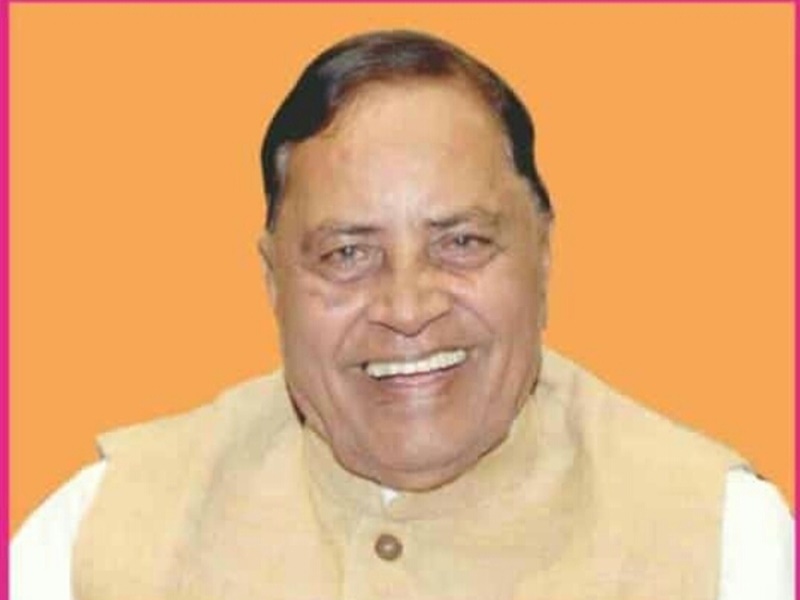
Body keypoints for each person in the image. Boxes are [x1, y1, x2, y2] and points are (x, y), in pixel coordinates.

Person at [12, 30, 793, 600]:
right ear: (273, 282)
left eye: (461, 242)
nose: (408, 308)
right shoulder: (95, 536)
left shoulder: (722, 544)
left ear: (543, 256)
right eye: (348, 253)